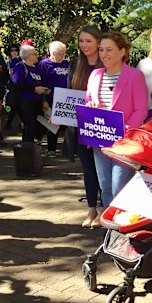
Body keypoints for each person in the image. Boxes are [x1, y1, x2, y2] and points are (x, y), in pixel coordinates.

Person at [85, 31, 148, 209]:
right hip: (99, 142)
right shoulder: (95, 74)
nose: (104, 54)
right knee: (105, 188)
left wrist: (123, 130)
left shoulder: (135, 76)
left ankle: (122, 229)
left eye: (109, 50)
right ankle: (110, 229)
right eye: (101, 50)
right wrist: (91, 104)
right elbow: (87, 100)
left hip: (124, 142)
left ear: (122, 52)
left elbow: (141, 110)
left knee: (119, 187)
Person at [68, 25, 104, 228]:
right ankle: (91, 209)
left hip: (101, 126)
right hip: (79, 126)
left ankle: (104, 209)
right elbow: (67, 94)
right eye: (81, 41)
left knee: (103, 170)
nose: (84, 45)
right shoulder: (74, 65)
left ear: (98, 41)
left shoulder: (107, 64)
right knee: (88, 169)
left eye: (88, 41)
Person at [11, 45, 50, 143]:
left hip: (37, 101)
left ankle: (35, 146)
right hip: (25, 101)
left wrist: (44, 90)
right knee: (29, 125)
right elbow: (17, 84)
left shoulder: (36, 69)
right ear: (29, 56)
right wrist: (34, 89)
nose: (37, 56)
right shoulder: (20, 67)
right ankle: (27, 148)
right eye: (35, 54)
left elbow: (39, 83)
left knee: (38, 126)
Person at [37, 41, 69, 157]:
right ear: (53, 53)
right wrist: (44, 100)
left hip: (66, 99)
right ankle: (51, 149)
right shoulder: (44, 65)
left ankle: (69, 149)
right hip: (51, 99)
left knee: (68, 126)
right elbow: (39, 82)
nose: (63, 56)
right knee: (52, 124)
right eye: (61, 54)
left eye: (64, 53)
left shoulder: (67, 64)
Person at [4, 44, 21, 130]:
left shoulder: (19, 60)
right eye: (12, 50)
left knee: (20, 105)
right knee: (13, 105)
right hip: (13, 86)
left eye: (15, 50)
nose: (14, 52)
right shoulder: (9, 61)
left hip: (20, 85)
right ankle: (9, 122)